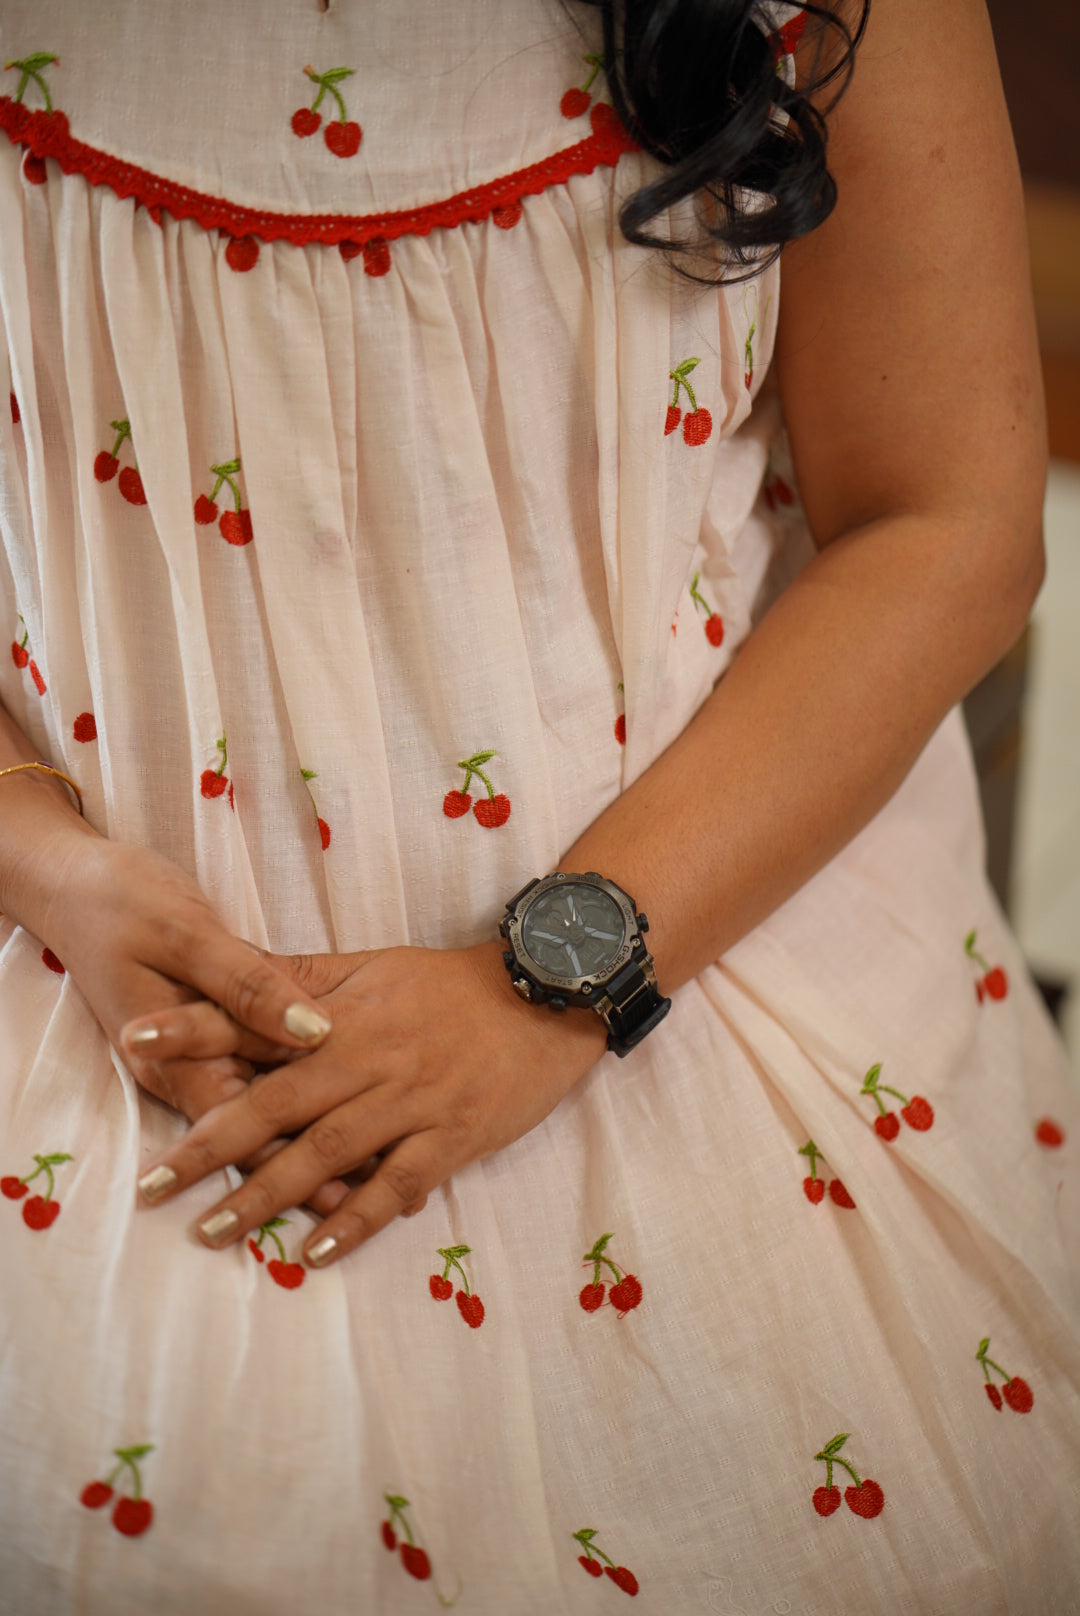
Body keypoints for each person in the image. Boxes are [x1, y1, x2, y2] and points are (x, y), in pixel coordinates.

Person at [1, 0, 1077, 1610]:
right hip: (68, 959)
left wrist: (556, 985)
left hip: (708, 929)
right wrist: (42, 851)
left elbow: (949, 518)